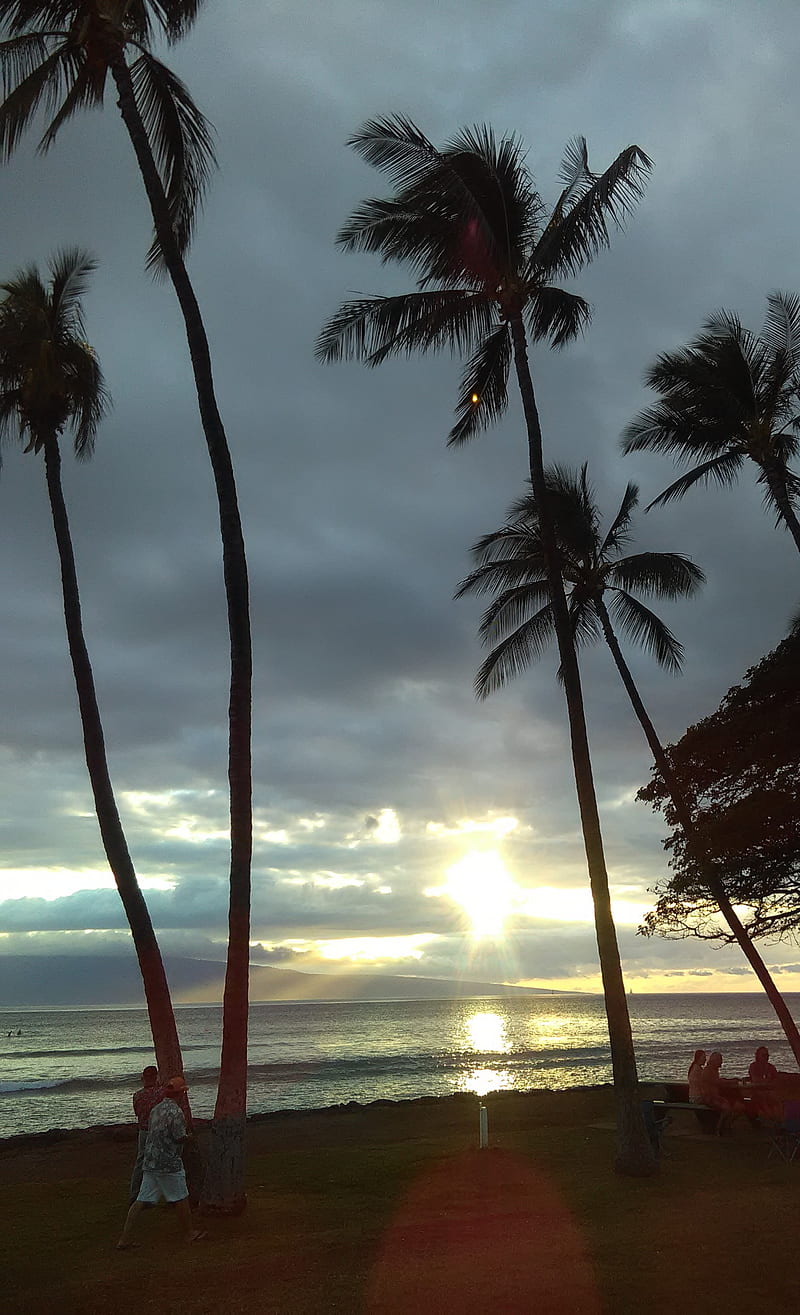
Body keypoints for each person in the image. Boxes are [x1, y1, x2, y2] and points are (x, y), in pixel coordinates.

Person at [116, 1076, 206, 1250]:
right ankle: (190, 1233)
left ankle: (124, 1239)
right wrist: (190, 1138)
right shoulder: (176, 1112)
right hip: (169, 1163)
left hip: (151, 1161)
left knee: (140, 1200)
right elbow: (179, 1137)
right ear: (180, 1094)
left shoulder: (155, 1109)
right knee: (181, 1197)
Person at [129, 1065, 163, 1203]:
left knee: (140, 1161)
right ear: (156, 1077)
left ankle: (135, 1193)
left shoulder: (137, 1095)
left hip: (143, 1130)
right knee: (161, 1160)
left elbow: (137, 1113)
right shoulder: (161, 1093)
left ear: (143, 1078)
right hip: (158, 1131)